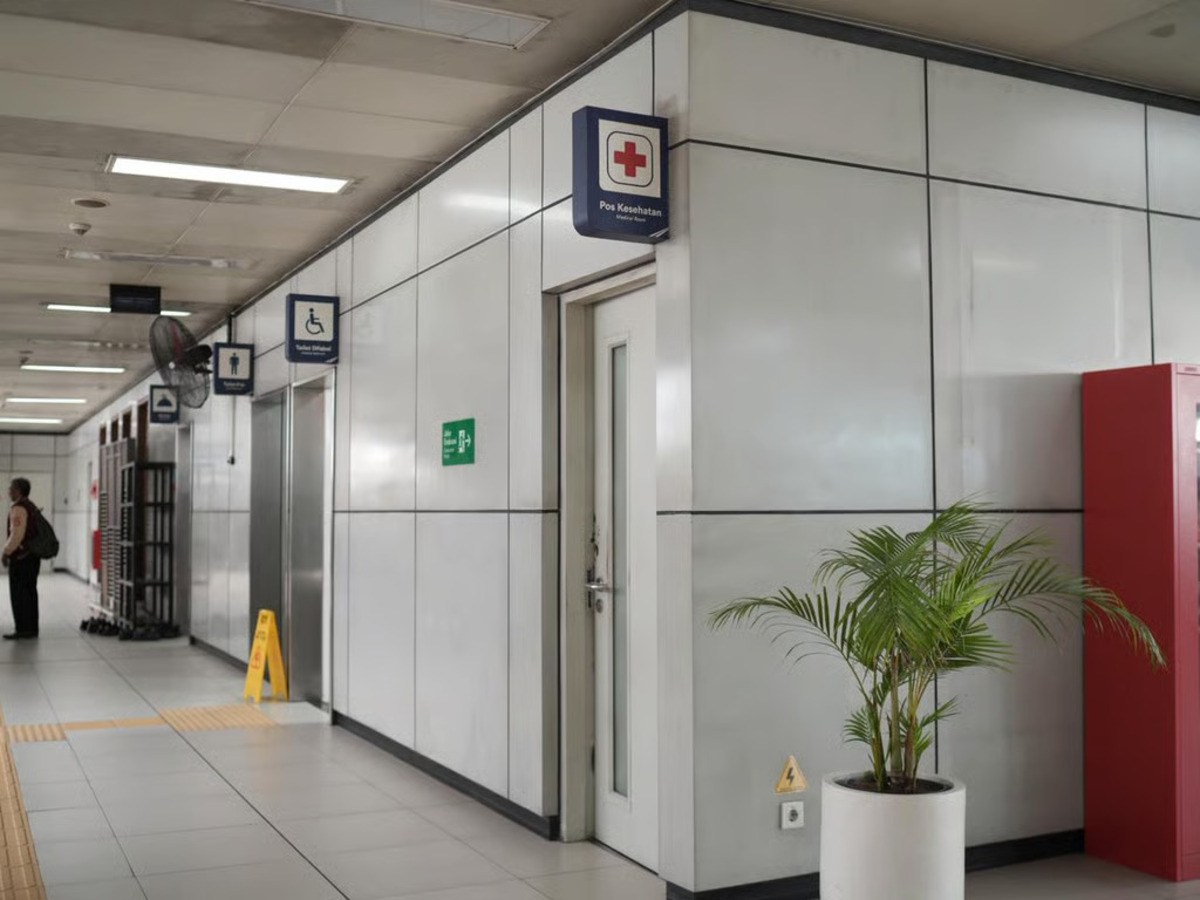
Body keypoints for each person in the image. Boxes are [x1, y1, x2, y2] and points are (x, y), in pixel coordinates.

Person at [2, 478, 40, 640]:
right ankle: (31, 628)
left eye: (11, 488)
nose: (9, 491)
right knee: (30, 593)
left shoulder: (18, 508)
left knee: (19, 594)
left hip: (21, 558)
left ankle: (23, 629)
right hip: (32, 557)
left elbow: (17, 535)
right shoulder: (30, 506)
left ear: (18, 490)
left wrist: (5, 552)